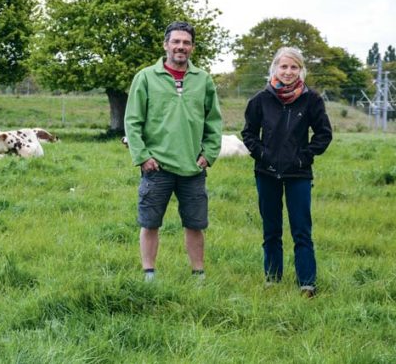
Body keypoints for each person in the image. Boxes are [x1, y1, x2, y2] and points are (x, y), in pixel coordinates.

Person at [124, 21, 222, 282]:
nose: (181, 46)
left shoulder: (203, 80)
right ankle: (149, 274)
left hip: (192, 166)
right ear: (166, 44)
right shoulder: (145, 77)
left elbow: (214, 121)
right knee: (150, 222)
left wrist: (209, 154)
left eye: (186, 42)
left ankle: (198, 273)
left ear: (192, 47)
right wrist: (143, 156)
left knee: (195, 224)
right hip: (157, 167)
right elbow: (132, 121)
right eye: (176, 41)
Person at [241, 46, 332, 298]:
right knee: (271, 230)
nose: (288, 72)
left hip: (298, 175)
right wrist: (262, 154)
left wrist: (304, 157)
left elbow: (324, 134)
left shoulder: (312, 99)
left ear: (301, 70)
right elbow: (248, 133)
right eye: (284, 66)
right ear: (275, 69)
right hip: (266, 173)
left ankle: (307, 284)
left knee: (301, 230)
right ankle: (272, 280)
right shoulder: (260, 99)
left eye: (294, 67)